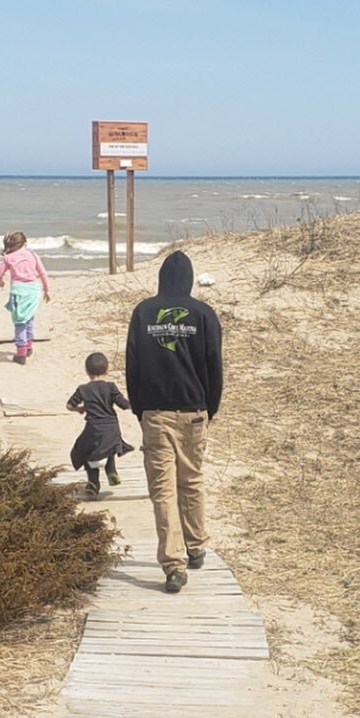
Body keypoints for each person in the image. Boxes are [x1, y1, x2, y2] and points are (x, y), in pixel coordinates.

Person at [125, 250, 223, 593]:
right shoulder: (204, 314)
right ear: (189, 279)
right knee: (192, 480)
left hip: (155, 413)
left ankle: (173, 564)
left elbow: (132, 366)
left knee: (163, 490)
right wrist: (210, 408)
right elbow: (214, 366)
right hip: (195, 411)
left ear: (161, 278)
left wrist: (140, 409)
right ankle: (196, 547)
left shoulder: (143, 312)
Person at [67, 352, 134, 498]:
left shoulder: (83, 389)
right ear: (107, 370)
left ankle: (93, 482)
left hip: (93, 427)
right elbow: (123, 404)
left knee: (85, 449)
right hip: (111, 428)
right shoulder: (111, 387)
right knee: (108, 446)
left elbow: (69, 406)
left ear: (87, 372)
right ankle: (111, 472)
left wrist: (81, 409)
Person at [0, 231, 51, 364]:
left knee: (19, 321)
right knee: (29, 318)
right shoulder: (32, 254)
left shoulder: (7, 258)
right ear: (25, 243)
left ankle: (21, 353)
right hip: (33, 291)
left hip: (18, 291)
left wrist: (0, 282)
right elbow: (43, 273)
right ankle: (29, 346)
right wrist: (47, 290)